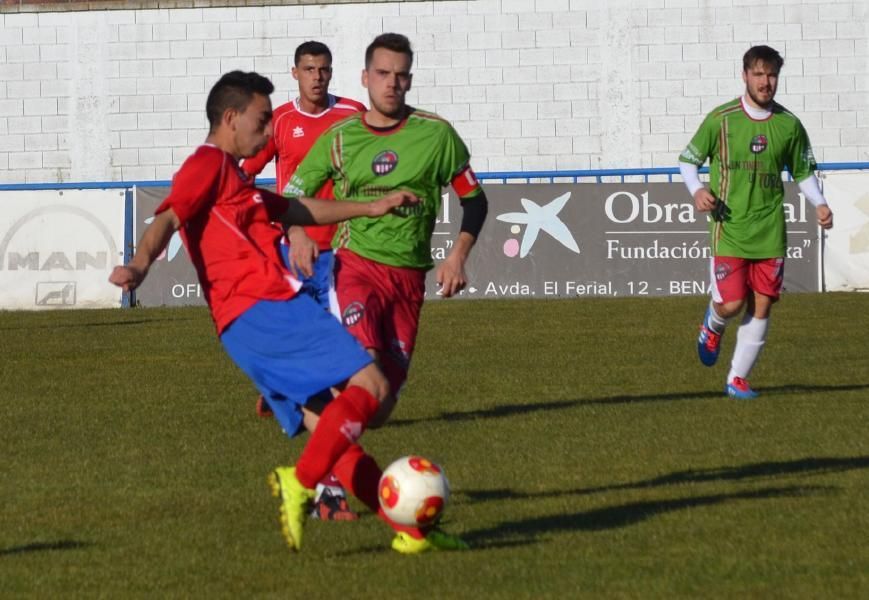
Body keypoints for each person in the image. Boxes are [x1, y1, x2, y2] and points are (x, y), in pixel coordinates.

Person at [109, 70, 468, 554]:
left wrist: (369, 208)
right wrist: (138, 264)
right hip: (262, 305)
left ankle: (408, 530)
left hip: (243, 327)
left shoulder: (235, 177)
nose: (268, 130)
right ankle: (299, 482)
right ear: (231, 118)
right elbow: (170, 215)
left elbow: (297, 209)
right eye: (262, 119)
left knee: (333, 431)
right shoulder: (207, 162)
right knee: (372, 386)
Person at [285, 33, 489, 425]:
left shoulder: (436, 135)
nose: (391, 83)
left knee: (378, 412)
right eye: (382, 73)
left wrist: (458, 256)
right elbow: (290, 200)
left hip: (409, 277)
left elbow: (475, 200)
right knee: (366, 378)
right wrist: (297, 235)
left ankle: (298, 390)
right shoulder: (340, 138)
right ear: (365, 78)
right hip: (355, 267)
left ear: (409, 80)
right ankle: (320, 480)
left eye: (400, 75)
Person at [242, 40, 366, 522]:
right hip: (292, 251)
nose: (318, 77)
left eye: (325, 69)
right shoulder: (281, 123)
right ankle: (324, 492)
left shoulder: (352, 115)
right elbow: (246, 169)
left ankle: (284, 390)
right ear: (294, 73)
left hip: (343, 251)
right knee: (331, 370)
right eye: (309, 69)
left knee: (332, 358)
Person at [678, 45, 834, 399]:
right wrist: (696, 189)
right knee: (731, 304)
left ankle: (737, 379)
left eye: (772, 75)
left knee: (762, 302)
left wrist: (820, 203)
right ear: (745, 75)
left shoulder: (789, 124)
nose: (766, 82)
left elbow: (803, 171)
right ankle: (713, 325)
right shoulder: (722, 119)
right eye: (759, 74)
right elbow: (688, 161)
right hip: (729, 228)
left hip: (770, 230)